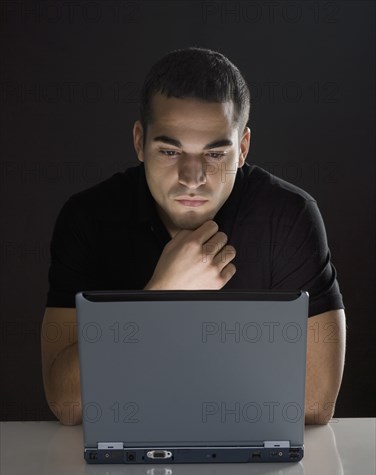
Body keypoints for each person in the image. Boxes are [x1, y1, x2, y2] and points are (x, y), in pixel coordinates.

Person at [41, 47, 346, 426]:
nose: (192, 177)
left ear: (243, 149)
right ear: (139, 141)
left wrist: (130, 379)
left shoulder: (288, 217)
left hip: (254, 472)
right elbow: (67, 404)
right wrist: (160, 298)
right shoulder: (87, 218)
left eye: (215, 154)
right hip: (121, 471)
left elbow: (315, 402)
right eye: (170, 151)